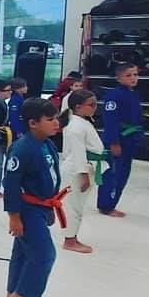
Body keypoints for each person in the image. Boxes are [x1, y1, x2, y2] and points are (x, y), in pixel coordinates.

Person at [3, 98, 64, 297]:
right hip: (26, 209)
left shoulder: (47, 143)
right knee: (44, 254)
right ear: (33, 123)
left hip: (41, 206)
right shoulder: (21, 148)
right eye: (50, 119)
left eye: (56, 118)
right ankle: (23, 295)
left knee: (22, 250)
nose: (56, 123)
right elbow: (10, 184)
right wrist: (14, 217)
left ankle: (13, 290)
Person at [60, 89, 104, 254]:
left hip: (85, 167)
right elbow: (78, 153)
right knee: (73, 207)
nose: (94, 107)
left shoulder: (82, 122)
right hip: (77, 171)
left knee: (78, 206)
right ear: (78, 107)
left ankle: (73, 237)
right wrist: (83, 174)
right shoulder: (75, 126)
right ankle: (69, 240)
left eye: (95, 104)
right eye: (91, 105)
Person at [96, 62, 143, 217]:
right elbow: (110, 120)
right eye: (128, 75)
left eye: (135, 74)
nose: (133, 78)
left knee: (123, 173)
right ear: (119, 78)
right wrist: (114, 142)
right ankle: (106, 205)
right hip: (118, 139)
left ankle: (111, 203)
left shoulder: (133, 94)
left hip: (129, 138)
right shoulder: (114, 96)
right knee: (114, 174)